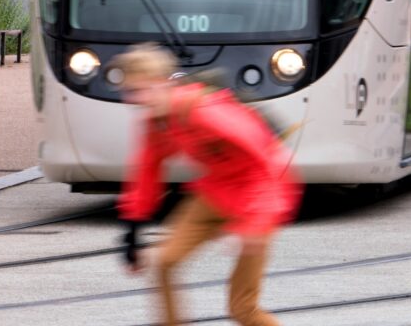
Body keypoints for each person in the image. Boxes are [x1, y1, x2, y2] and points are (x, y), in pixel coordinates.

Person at [116, 45, 301, 326]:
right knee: (164, 262)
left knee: (242, 309)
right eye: (132, 91)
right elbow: (146, 170)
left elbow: (270, 162)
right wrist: (132, 228)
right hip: (214, 193)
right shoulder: (158, 121)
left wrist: (255, 224)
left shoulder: (206, 111)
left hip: (256, 198)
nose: (136, 100)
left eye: (143, 89)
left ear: (165, 82)